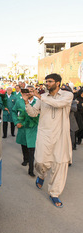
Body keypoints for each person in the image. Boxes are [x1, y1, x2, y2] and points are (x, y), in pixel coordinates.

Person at [24, 73, 73, 208]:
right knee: (40, 161)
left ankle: (54, 193)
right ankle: (42, 174)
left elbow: (58, 104)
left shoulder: (67, 95)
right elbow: (33, 113)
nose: (47, 84)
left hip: (61, 135)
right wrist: (27, 101)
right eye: (46, 82)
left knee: (60, 164)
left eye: (50, 81)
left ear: (58, 83)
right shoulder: (43, 97)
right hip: (44, 135)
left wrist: (40, 97)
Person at [12, 85, 39, 176]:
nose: (29, 93)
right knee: (24, 145)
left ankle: (31, 169)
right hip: (22, 127)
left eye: (31, 91)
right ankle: (25, 159)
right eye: (27, 91)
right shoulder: (19, 101)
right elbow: (13, 111)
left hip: (33, 128)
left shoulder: (37, 102)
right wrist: (16, 122)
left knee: (32, 148)